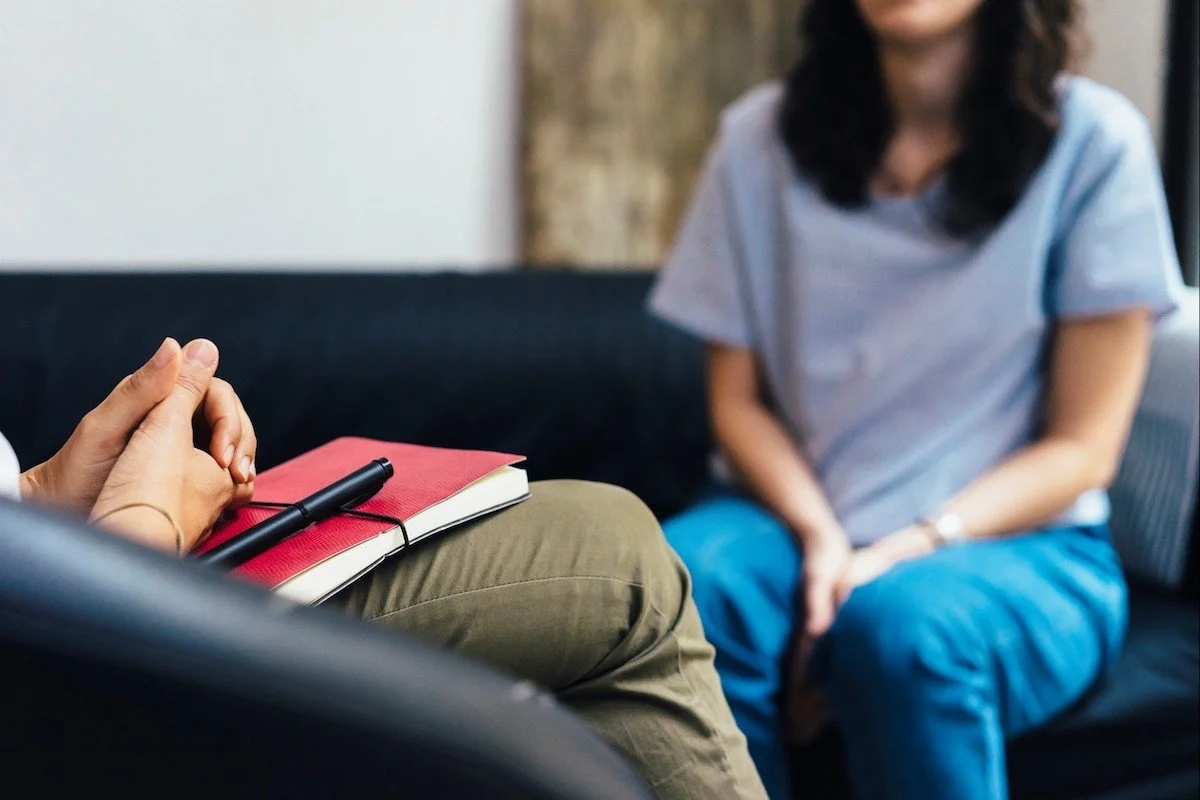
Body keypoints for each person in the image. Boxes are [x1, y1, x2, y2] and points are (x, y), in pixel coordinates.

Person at [649, 0, 1183, 798]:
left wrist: (904, 550)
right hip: (789, 518)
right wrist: (823, 539)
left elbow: (1084, 450)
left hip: (1014, 543)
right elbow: (738, 403)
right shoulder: (756, 139)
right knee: (679, 585)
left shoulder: (1096, 144)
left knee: (904, 630)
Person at [1, 336, 768, 800]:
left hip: (48, 571)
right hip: (66, 645)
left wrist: (45, 492)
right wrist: (144, 521)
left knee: (611, 539)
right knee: (619, 572)